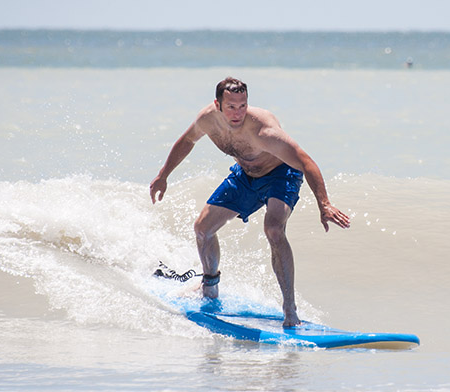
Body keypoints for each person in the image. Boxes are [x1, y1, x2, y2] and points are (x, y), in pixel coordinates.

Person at [150, 77, 351, 326]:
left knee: (274, 229)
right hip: (246, 176)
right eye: (231, 106)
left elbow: (305, 161)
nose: (237, 113)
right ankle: (209, 287)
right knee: (203, 229)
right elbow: (187, 141)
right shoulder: (207, 119)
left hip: (281, 175)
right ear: (218, 104)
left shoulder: (263, 131)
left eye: (242, 105)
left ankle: (290, 309)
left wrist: (324, 204)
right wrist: (163, 175)